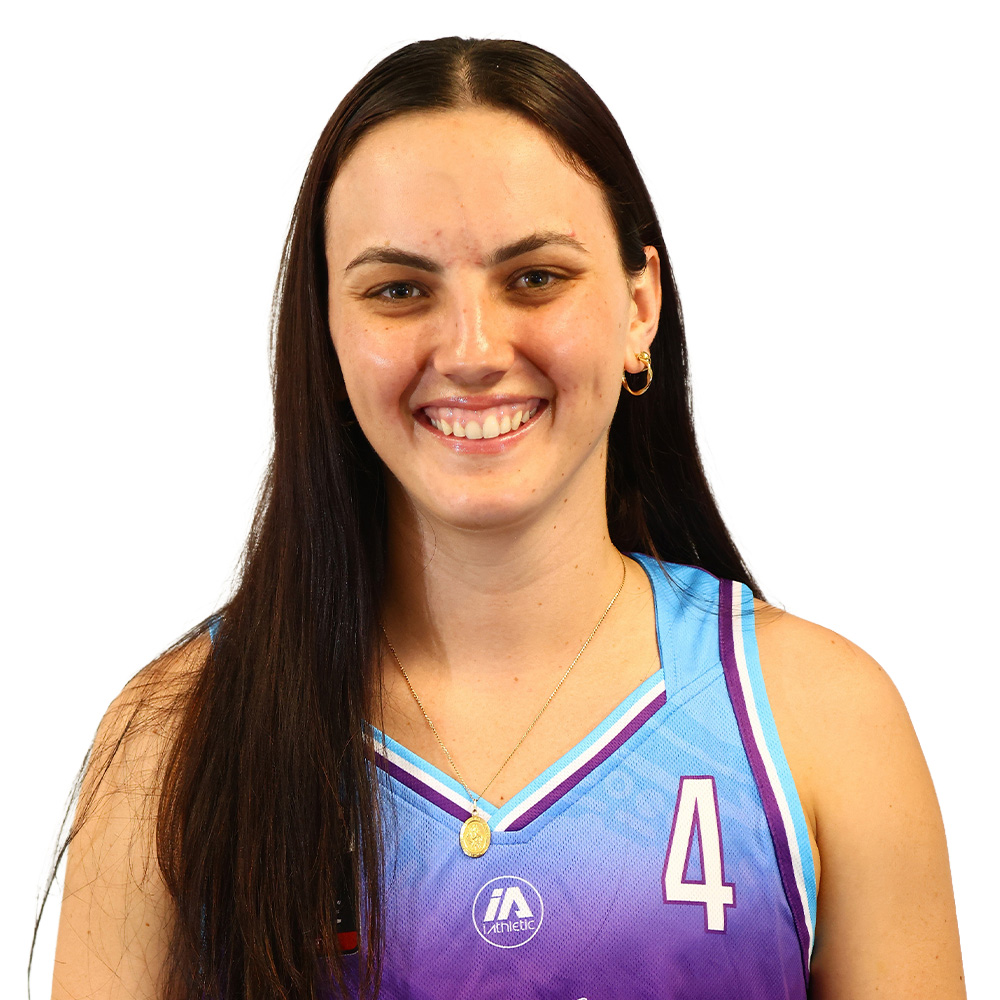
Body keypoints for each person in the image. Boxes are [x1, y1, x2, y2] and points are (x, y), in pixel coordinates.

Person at [48, 36, 965, 1000]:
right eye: (399, 290)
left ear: (640, 307)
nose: (474, 349)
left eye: (535, 278)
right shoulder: (174, 740)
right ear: (328, 330)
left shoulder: (822, 721)